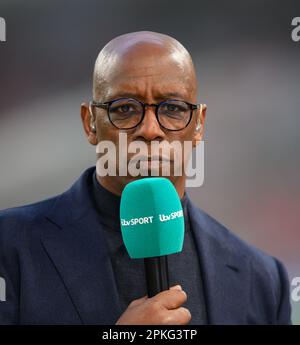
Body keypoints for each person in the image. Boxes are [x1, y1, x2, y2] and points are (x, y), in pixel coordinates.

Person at [0, 31, 291, 325]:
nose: (150, 129)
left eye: (173, 109)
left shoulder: (263, 279)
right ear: (90, 124)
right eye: (125, 109)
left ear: (199, 125)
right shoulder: (10, 247)